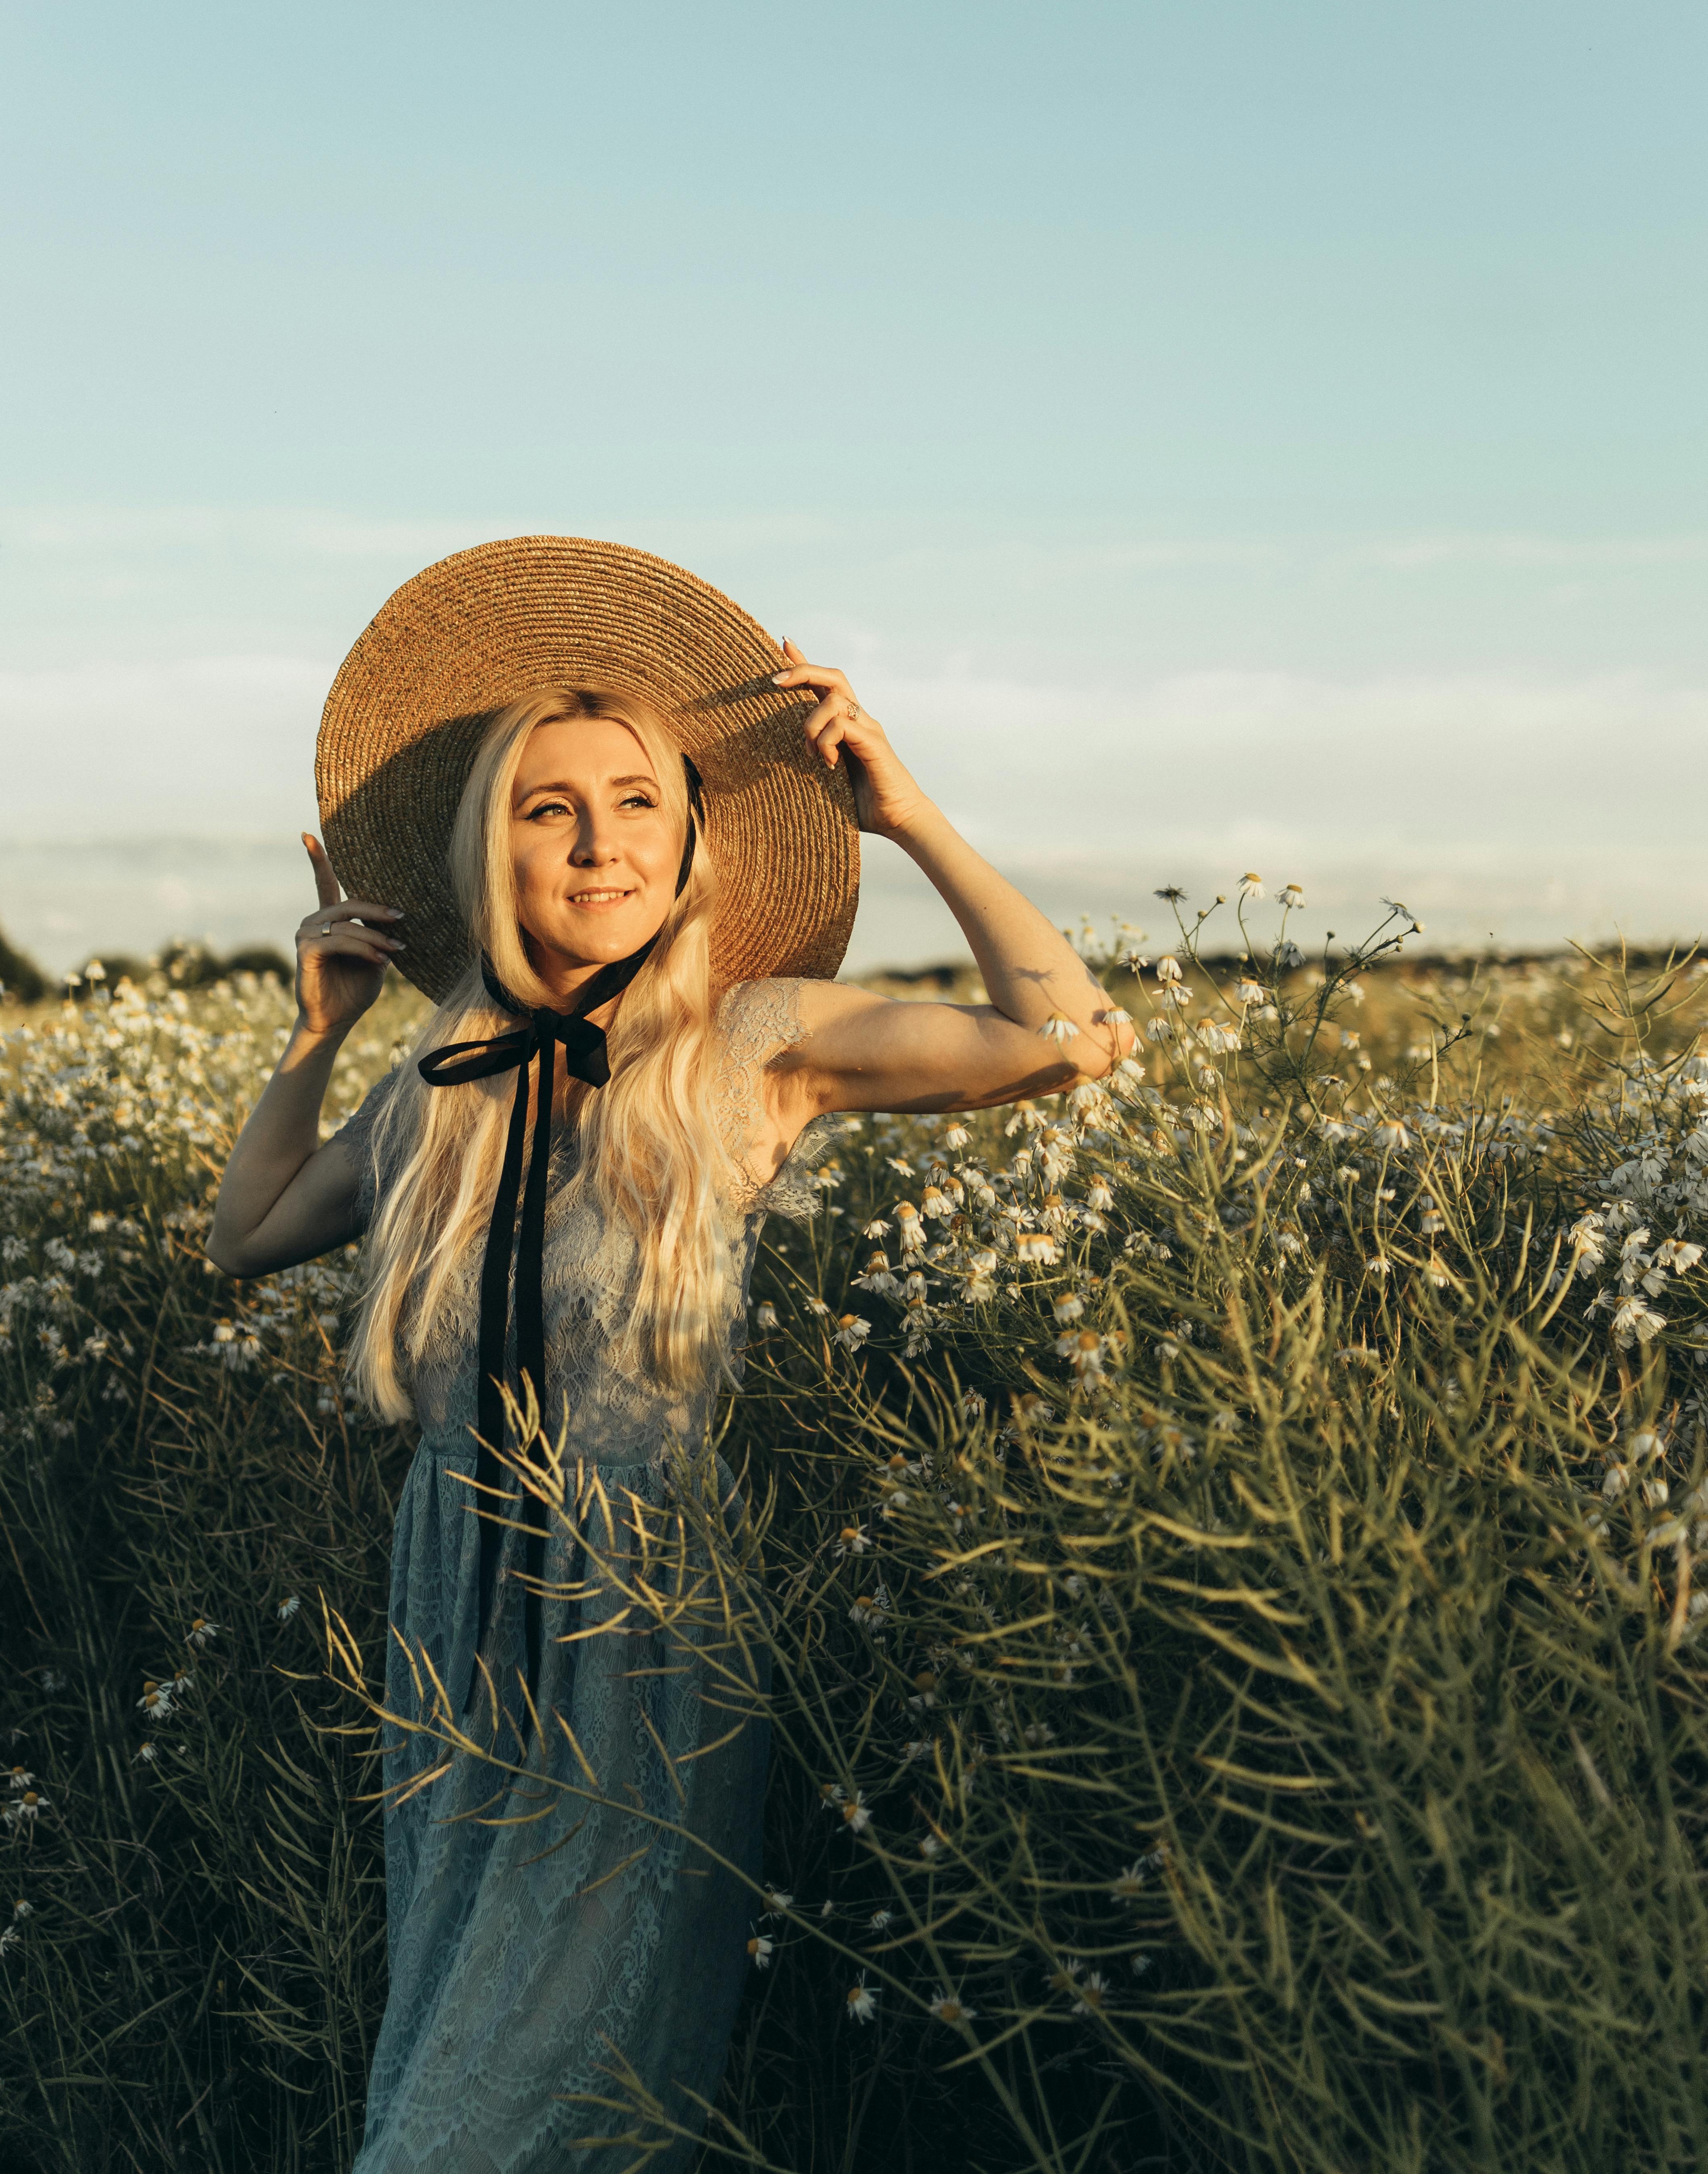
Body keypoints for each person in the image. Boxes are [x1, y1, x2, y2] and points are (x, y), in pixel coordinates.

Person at [206, 537, 1133, 2174]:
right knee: (457, 2011)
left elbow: (1069, 1038)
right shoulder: (441, 1082)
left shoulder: (748, 1043)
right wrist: (319, 1029)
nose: (600, 841)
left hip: (634, 1598)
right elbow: (251, 1226)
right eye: (549, 806)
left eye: (638, 800)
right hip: (454, 1589)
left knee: (525, 2084)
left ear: (690, 834)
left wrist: (908, 811)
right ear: (493, 849)